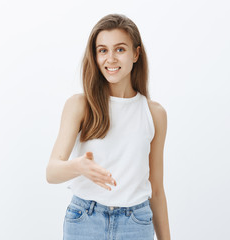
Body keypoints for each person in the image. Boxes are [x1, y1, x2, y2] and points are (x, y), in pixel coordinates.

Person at [46, 13, 171, 240]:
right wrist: (79, 167)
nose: (110, 58)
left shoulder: (154, 114)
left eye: (120, 49)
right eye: (103, 50)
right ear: (94, 56)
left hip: (136, 223)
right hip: (85, 220)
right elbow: (52, 171)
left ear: (136, 54)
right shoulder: (80, 105)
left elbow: (158, 190)